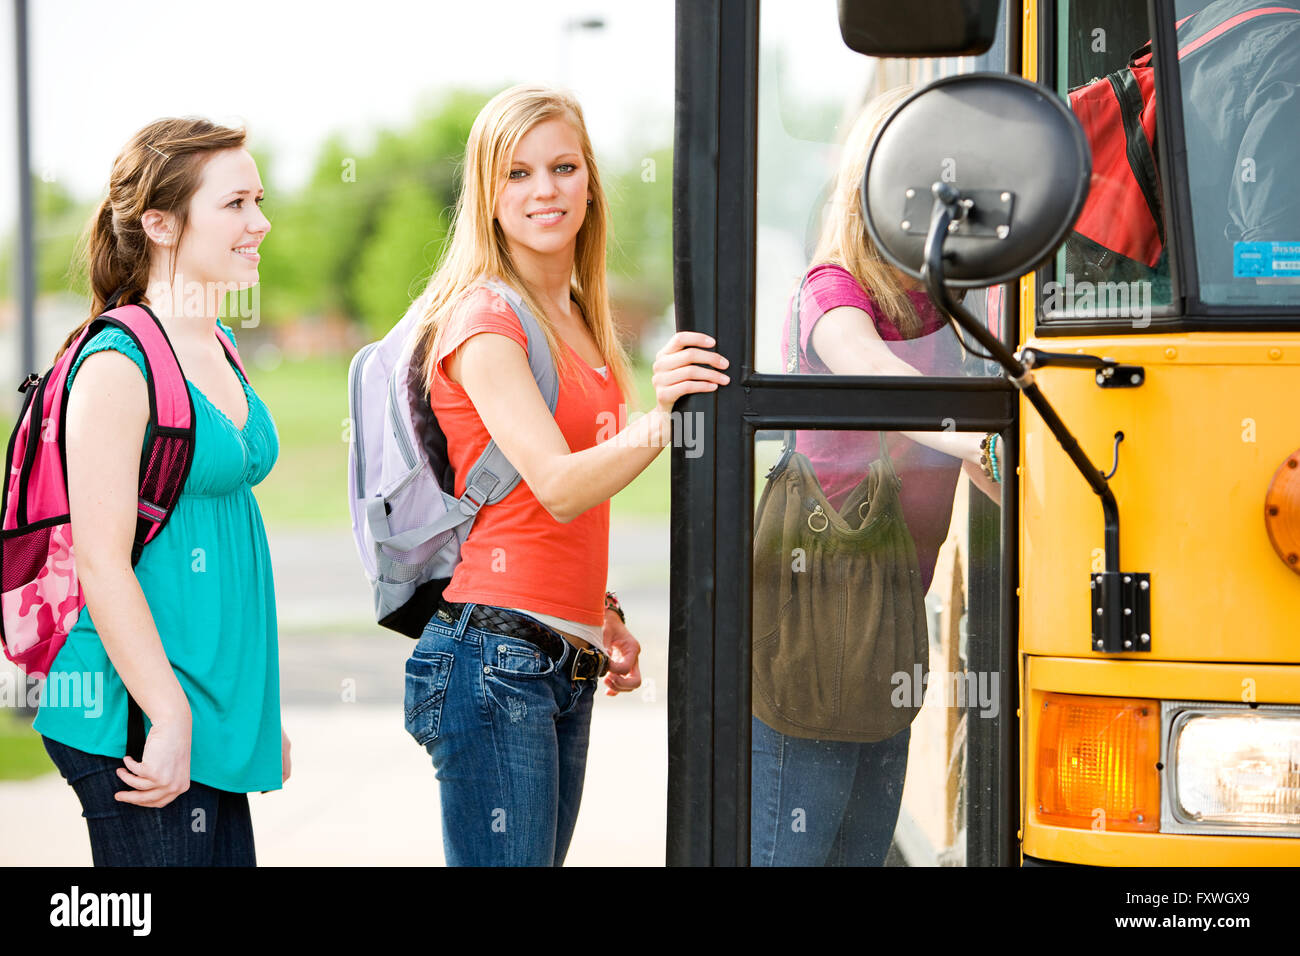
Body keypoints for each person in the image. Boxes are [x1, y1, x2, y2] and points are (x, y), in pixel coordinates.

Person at [403, 84, 727, 866]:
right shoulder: (485, 320)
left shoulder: (579, 315)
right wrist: (669, 414)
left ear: (589, 181)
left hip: (560, 656)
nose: (544, 190)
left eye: (563, 167)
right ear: (487, 192)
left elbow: (551, 500)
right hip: (492, 661)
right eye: (516, 174)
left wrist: (599, 610)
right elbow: (556, 482)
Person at [750, 87, 1002, 867]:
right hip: (814, 633)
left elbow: (1000, 478)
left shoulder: (956, 310)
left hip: (888, 634)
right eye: (916, 172)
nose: (936, 195)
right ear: (873, 180)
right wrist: (987, 445)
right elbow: (875, 377)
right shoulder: (833, 290)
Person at [34, 118, 286, 866]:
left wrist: (247, 716)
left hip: (204, 708)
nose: (260, 223)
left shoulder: (218, 342)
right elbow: (101, 560)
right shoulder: (118, 361)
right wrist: (167, 713)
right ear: (161, 223)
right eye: (236, 204)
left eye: (259, 200)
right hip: (135, 713)